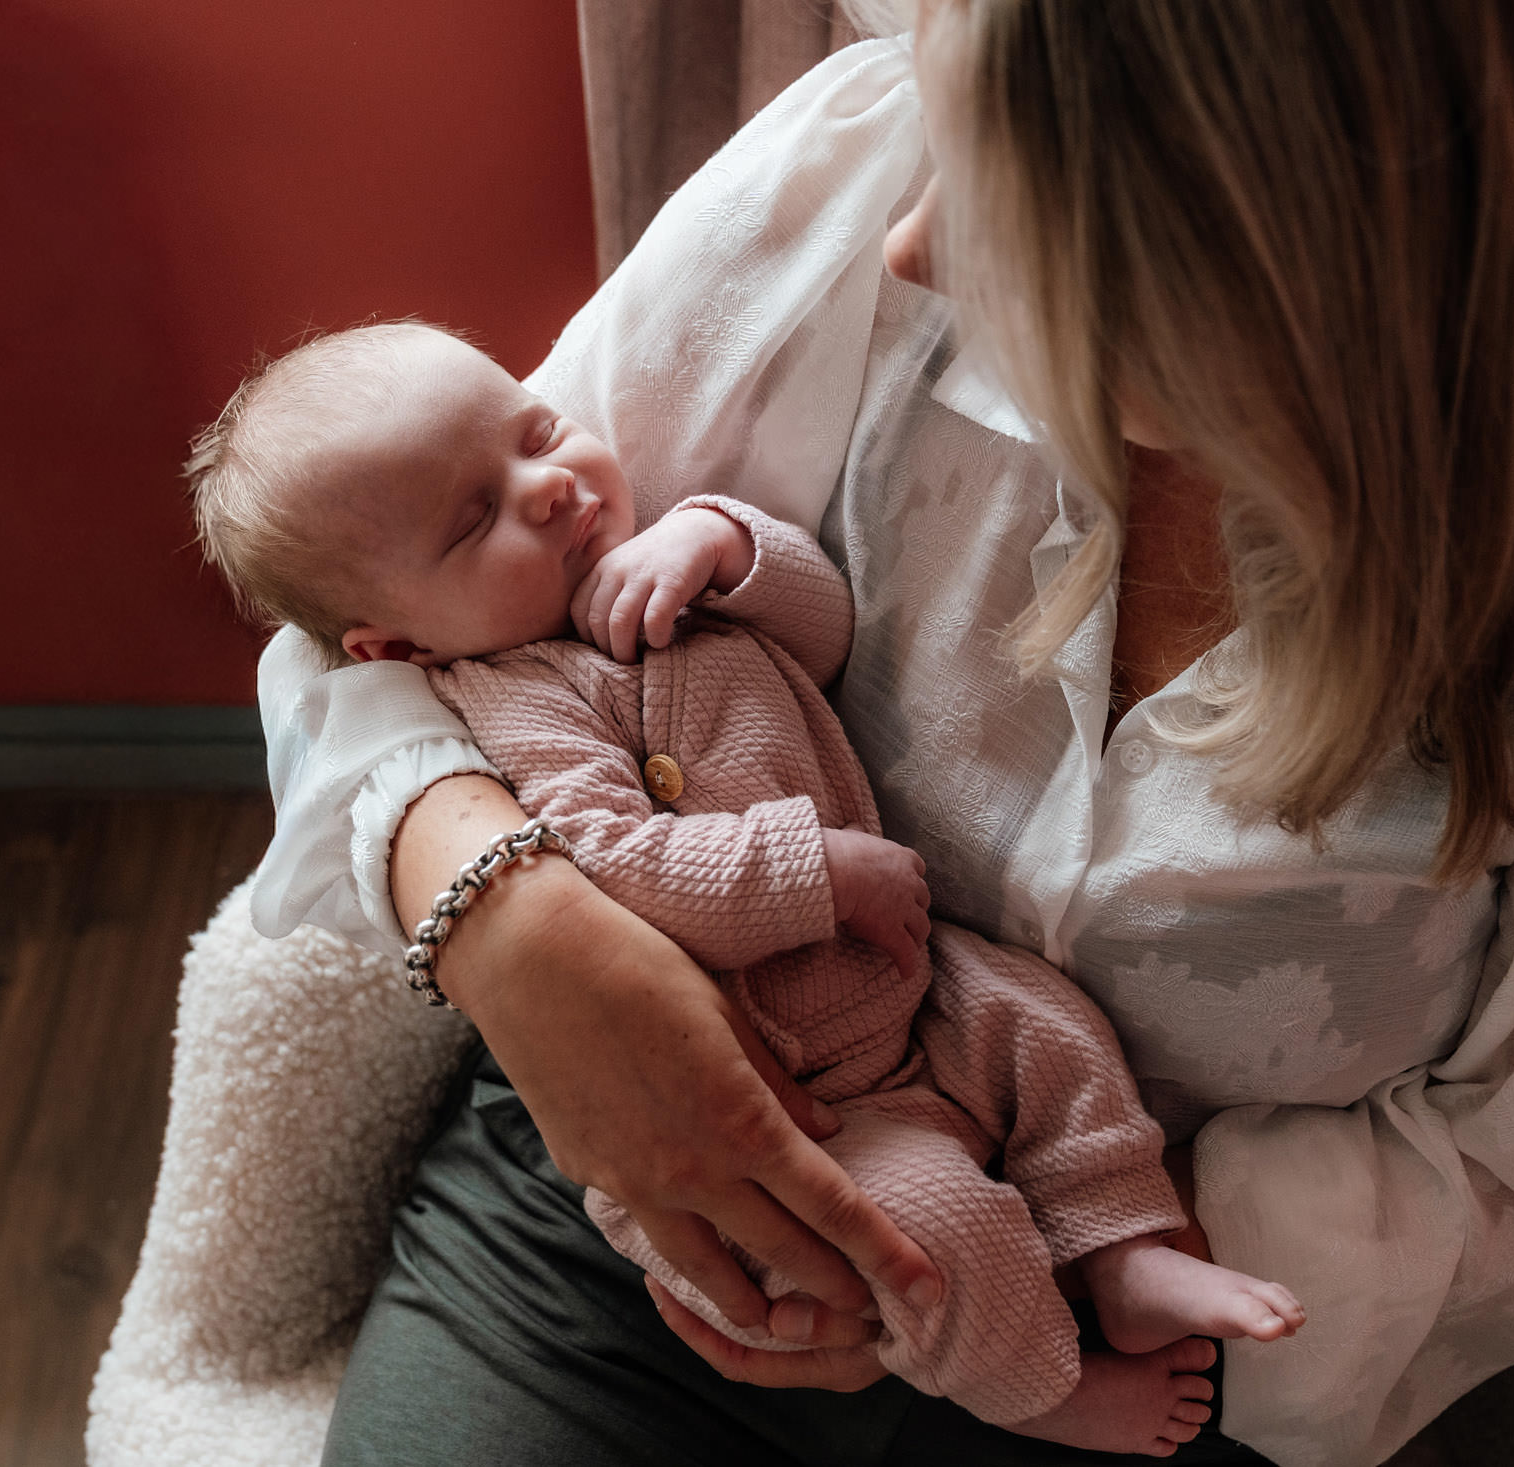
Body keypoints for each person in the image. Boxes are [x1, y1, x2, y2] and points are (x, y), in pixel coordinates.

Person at [247, 4, 1514, 1464]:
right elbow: (376, 625)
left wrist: (975, 1263)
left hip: (1144, 1356)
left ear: (1286, 261)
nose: (912, 249)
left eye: (1017, 196)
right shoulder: (855, 171)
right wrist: (525, 939)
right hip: (650, 1190)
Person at [185, 320, 1304, 1454]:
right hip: (782, 1101)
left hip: (904, 991)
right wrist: (809, 870)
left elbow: (821, 637)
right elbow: (613, 862)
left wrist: (725, 546)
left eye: (538, 433)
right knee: (922, 1229)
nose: (549, 489)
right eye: (474, 519)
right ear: (397, 651)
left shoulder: (651, 574)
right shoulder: (516, 701)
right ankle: (1044, 1389)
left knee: (1052, 1031)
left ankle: (1124, 1251)